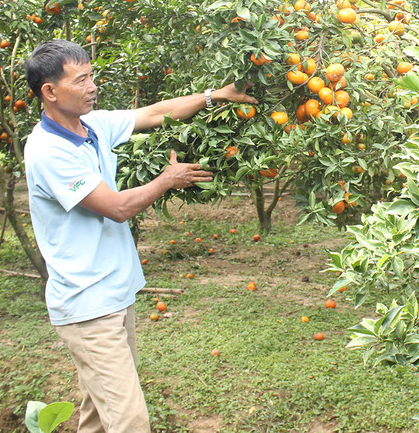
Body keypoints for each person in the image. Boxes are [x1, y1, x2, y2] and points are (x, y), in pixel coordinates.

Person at [23, 39, 257, 432]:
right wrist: (167, 180)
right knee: (129, 421)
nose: (93, 86)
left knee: (100, 416)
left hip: (114, 294)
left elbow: (156, 113)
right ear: (50, 91)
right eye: (81, 80)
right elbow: (115, 207)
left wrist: (216, 95)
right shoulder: (48, 150)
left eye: (92, 76)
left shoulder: (91, 126)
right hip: (87, 305)